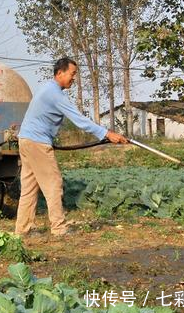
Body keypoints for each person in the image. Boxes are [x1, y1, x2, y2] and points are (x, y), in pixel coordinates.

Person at [15, 57, 128, 237]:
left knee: (29, 187)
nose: (74, 78)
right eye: (72, 74)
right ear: (59, 73)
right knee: (54, 184)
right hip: (37, 142)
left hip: (27, 140)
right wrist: (107, 134)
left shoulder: (47, 89)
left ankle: (22, 230)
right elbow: (80, 120)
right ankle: (59, 229)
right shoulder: (55, 94)